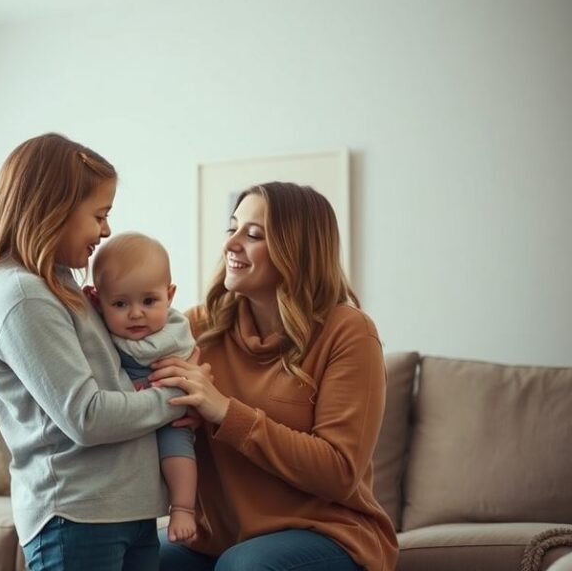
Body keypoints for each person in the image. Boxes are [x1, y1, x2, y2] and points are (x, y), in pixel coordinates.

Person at [0, 132, 191, 571]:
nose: (106, 230)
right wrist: (177, 397)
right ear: (55, 208)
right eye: (100, 215)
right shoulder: (23, 295)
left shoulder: (60, 282)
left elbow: (120, 372)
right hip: (77, 515)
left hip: (123, 510)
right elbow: (86, 417)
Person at [151, 182, 399, 571]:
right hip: (218, 540)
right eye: (231, 228)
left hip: (329, 535)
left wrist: (223, 411)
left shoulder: (349, 332)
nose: (231, 244)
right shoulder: (198, 327)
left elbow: (338, 472)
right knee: (132, 556)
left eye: (253, 235)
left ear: (296, 250)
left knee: (246, 566)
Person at [88, 232, 198, 544]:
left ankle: (184, 508)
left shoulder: (173, 335)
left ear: (170, 295)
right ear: (99, 301)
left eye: (149, 301)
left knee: (177, 445)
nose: (136, 313)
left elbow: (186, 380)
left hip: (167, 409)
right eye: (120, 303)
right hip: (127, 418)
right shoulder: (97, 327)